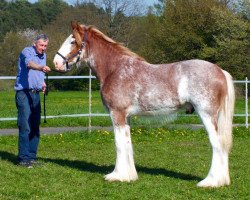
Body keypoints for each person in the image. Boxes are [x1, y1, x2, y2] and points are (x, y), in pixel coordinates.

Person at [14, 34, 51, 168]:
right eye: (41, 45)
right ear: (34, 43)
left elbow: (39, 75)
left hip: (35, 94)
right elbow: (29, 64)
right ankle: (23, 159)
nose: (43, 48)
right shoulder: (26, 51)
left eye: (46, 46)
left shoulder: (43, 56)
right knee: (25, 125)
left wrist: (43, 83)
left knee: (35, 126)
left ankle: (31, 157)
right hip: (23, 93)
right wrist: (41, 67)